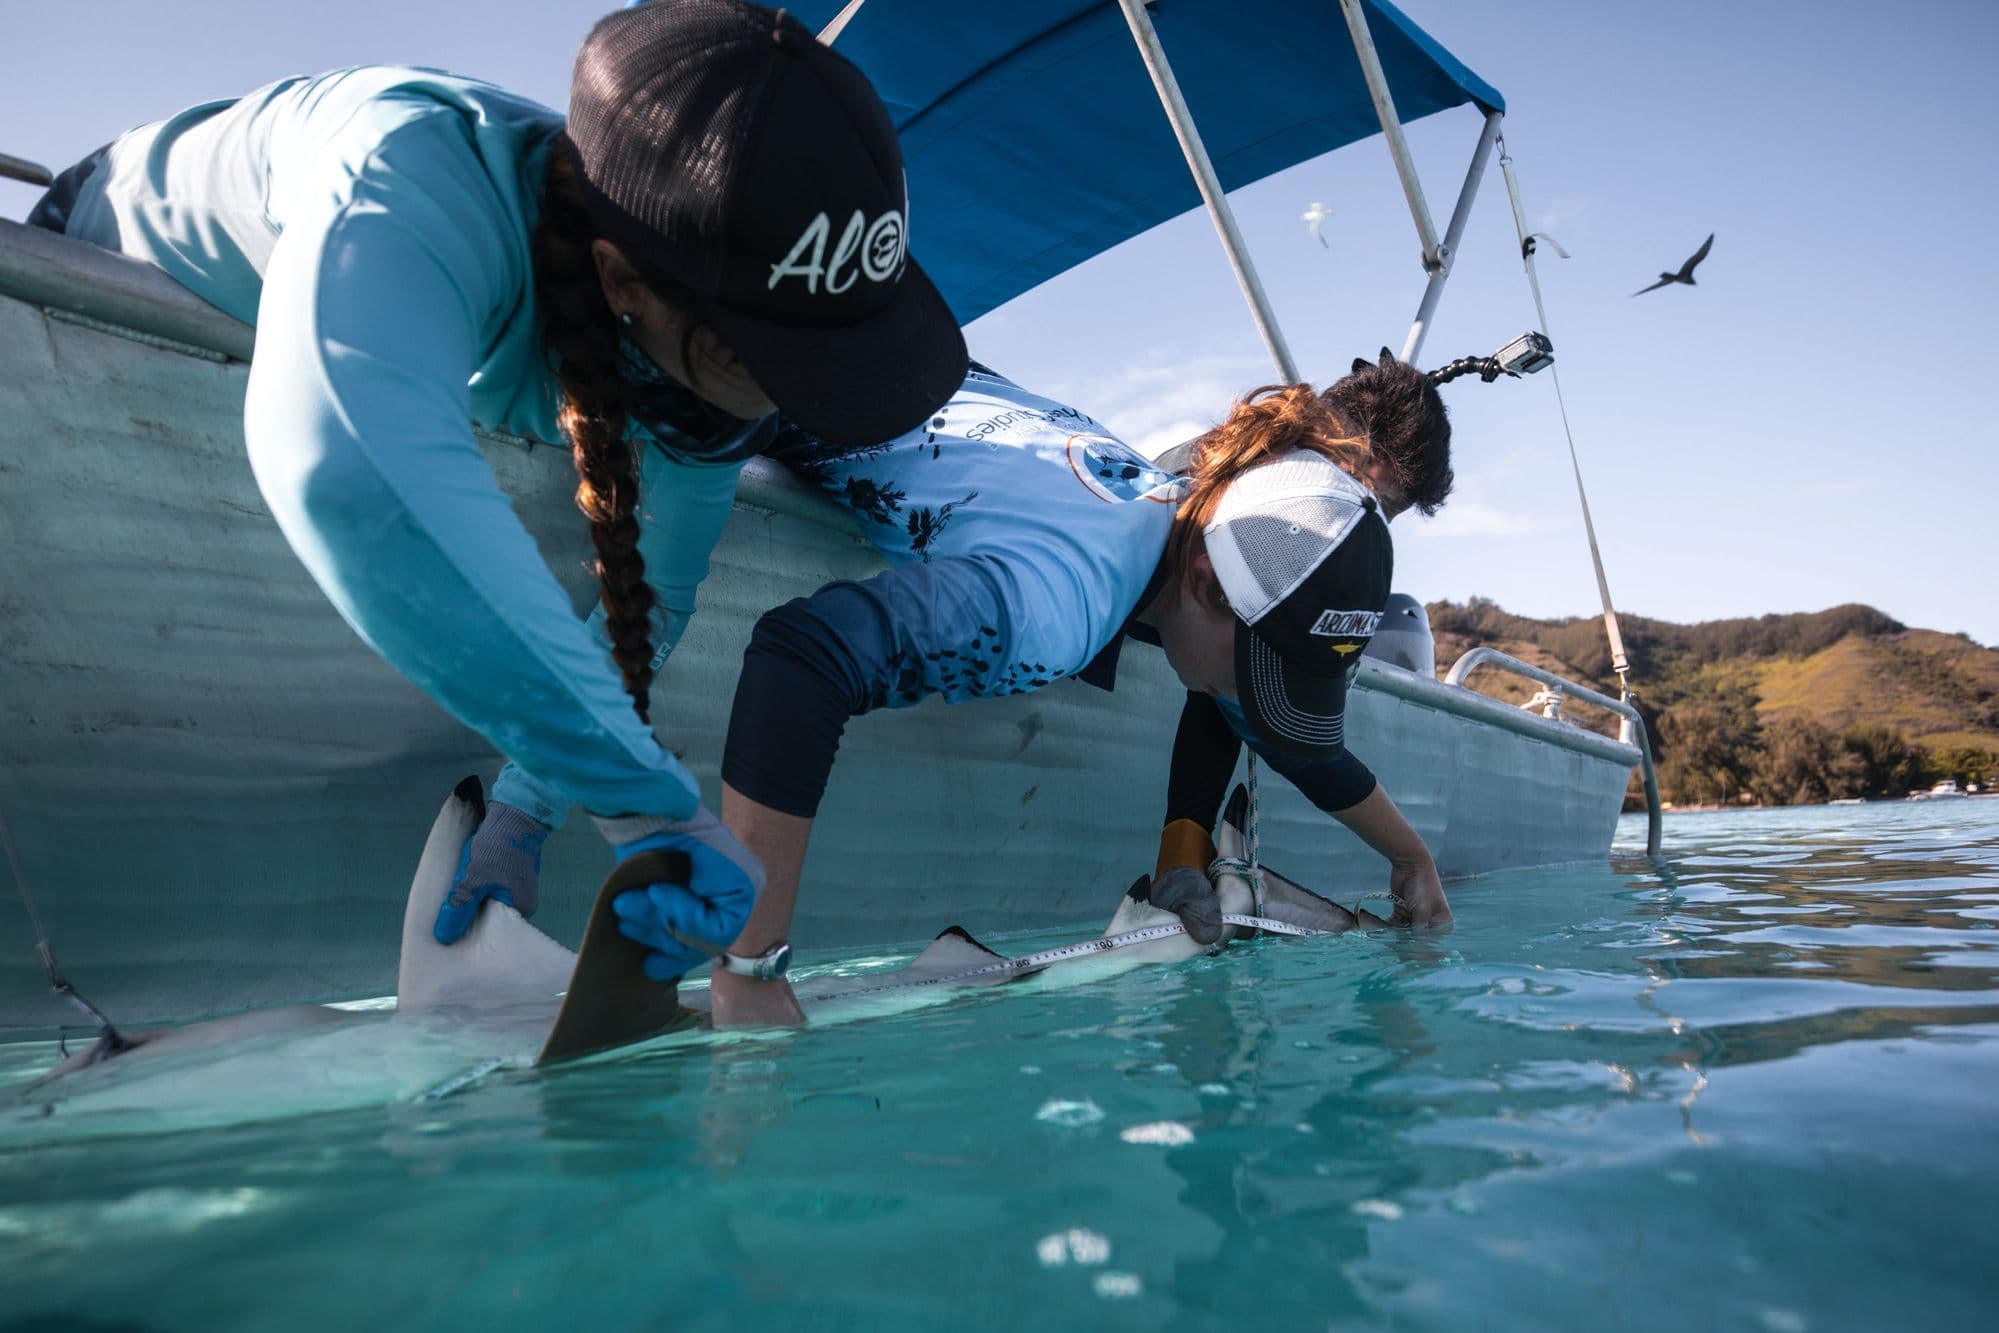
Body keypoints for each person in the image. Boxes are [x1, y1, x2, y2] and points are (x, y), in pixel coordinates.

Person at [27, 1, 967, 967]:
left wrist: (526, 809)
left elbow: (654, 596)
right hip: (94, 240)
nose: (795, 398)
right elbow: (350, 466)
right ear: (621, 284)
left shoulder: (706, 391)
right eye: (770, 353)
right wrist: (639, 798)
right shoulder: (412, 167)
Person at [644, 354, 1461, 1025]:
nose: (1244, 706)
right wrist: (751, 973)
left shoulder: (1173, 503)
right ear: (1208, 585)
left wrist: (1407, 854)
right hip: (690, 379)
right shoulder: (1058, 607)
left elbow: (1260, 718)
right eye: (1255, 680)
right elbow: (801, 656)